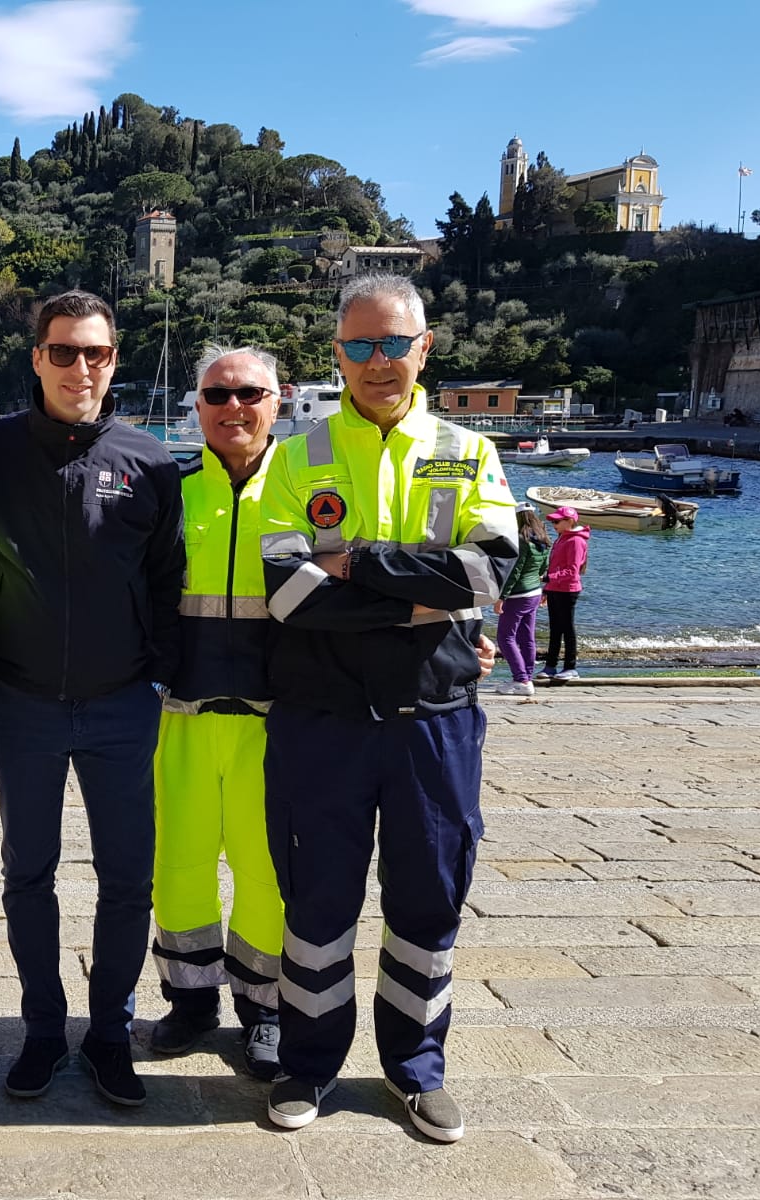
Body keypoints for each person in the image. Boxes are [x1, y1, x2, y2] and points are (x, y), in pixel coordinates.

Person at [258, 275, 517, 1144]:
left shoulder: (468, 451)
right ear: (337, 354)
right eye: (360, 346)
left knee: (429, 900)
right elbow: (286, 595)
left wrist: (356, 561)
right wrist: (420, 593)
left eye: (393, 343)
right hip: (320, 723)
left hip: (432, 719)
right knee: (317, 905)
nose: (378, 362)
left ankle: (416, 1068)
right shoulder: (295, 456)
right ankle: (308, 1065)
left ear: (425, 347)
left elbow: (488, 574)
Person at [0, 290, 185, 1108]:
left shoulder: (151, 461)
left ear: (114, 359)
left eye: (94, 352)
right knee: (29, 873)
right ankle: (44, 1030)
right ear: (37, 358)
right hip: (21, 704)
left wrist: (157, 673)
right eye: (63, 351)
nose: (79, 367)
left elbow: (168, 580)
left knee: (129, 879)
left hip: (125, 704)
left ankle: (110, 1034)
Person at [148, 344, 284, 1079]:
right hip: (184, 715)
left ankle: (264, 1010)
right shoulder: (168, 489)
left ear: (278, 399)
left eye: (249, 394)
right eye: (217, 395)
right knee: (181, 867)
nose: (234, 407)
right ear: (196, 405)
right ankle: (190, 1000)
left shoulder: (302, 488)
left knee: (266, 873)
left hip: (274, 719)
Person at [494, 504, 551, 697]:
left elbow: (515, 572)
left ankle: (521, 679)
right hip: (534, 592)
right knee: (527, 637)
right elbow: (544, 568)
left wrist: (501, 596)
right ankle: (526, 677)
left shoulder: (521, 540)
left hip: (518, 595)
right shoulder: (542, 539)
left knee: (505, 637)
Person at [540, 505, 589, 682]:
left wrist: (548, 577)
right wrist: (547, 588)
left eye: (557, 521)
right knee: (555, 629)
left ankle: (570, 667)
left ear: (569, 521)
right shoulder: (562, 538)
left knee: (567, 628)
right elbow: (555, 564)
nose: (554, 525)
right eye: (552, 521)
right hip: (554, 588)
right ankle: (550, 665)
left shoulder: (576, 541)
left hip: (568, 590)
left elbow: (572, 571)